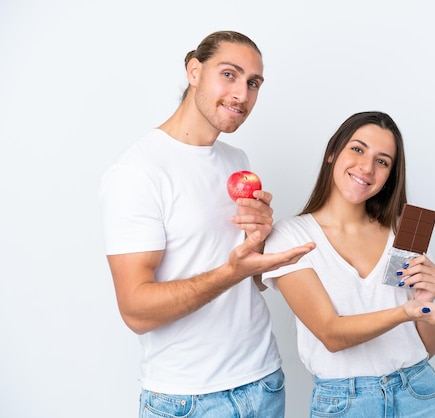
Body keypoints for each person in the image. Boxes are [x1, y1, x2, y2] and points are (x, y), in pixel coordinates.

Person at [99, 30, 315, 418]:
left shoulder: (237, 159)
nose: (241, 95)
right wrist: (231, 271)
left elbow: (249, 279)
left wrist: (258, 239)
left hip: (264, 380)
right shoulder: (137, 171)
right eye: (229, 74)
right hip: (188, 399)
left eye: (253, 83)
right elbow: (135, 310)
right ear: (194, 70)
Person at [262, 111, 435, 417]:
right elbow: (331, 335)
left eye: (382, 161)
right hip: (344, 403)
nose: (366, 167)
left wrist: (425, 304)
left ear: (390, 174)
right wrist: (406, 311)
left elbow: (427, 349)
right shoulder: (289, 237)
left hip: (419, 394)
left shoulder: (404, 234)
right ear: (332, 153)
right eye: (358, 149)